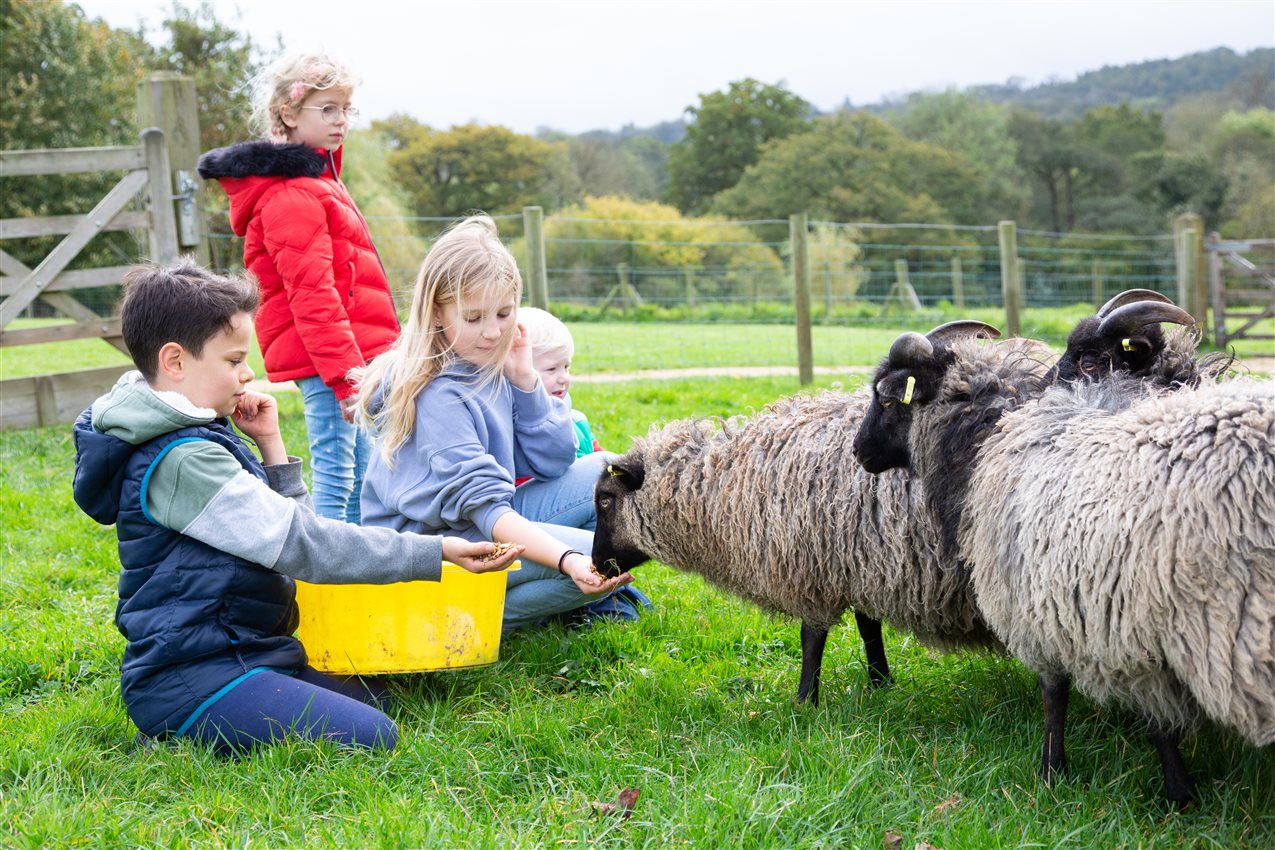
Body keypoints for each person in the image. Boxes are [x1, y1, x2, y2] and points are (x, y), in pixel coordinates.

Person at [71, 260, 522, 754]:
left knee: (385, 702)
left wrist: (270, 444)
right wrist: (434, 551)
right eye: (233, 360)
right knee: (374, 736)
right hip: (193, 674)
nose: (248, 374)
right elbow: (304, 545)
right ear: (176, 362)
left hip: (252, 651)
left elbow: (294, 530)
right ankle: (175, 728)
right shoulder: (183, 461)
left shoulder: (199, 434)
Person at [356, 215, 650, 631]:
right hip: (435, 551)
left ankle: (559, 593)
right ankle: (464, 621)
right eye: (474, 318)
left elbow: (555, 460)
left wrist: (526, 381)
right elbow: (488, 510)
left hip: (483, 520)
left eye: (504, 313)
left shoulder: (491, 364)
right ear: (437, 313)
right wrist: (567, 558)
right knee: (605, 557)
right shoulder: (439, 395)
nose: (493, 332)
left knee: (611, 478)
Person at [197, 50, 396, 523]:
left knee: (362, 471)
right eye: (327, 109)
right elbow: (313, 295)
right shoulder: (291, 194)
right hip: (328, 362)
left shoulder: (319, 181)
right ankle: (324, 558)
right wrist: (345, 377)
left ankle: (356, 558)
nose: (341, 120)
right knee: (337, 471)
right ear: (288, 113)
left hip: (344, 358)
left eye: (346, 109)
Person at [517, 307, 601, 459]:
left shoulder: (576, 421)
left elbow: (599, 454)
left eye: (566, 367)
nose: (564, 378)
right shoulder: (517, 428)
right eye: (551, 369)